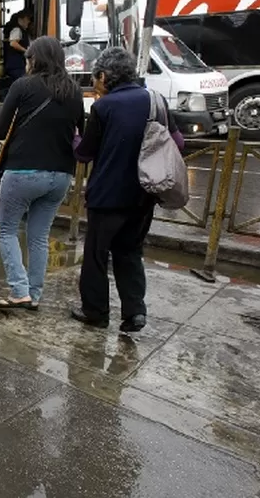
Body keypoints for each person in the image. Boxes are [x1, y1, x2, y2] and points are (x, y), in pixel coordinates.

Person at [71, 47, 184, 332]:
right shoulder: (155, 100)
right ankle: (134, 312)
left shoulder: (104, 107)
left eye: (97, 77)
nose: (96, 82)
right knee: (130, 251)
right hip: (144, 194)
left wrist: (74, 138)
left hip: (107, 196)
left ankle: (95, 311)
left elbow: (84, 153)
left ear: (105, 76)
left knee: (97, 254)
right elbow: (178, 142)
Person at [0, 37, 84, 311]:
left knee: (7, 230)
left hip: (23, 171)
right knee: (39, 236)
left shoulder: (23, 85)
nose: (26, 64)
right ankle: (34, 294)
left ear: (35, 60)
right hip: (61, 176)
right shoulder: (74, 91)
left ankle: (19, 290)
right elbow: (80, 132)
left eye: (28, 59)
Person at [3, 10, 32, 83]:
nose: (29, 21)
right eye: (27, 19)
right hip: (15, 65)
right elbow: (13, 43)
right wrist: (26, 51)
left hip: (16, 65)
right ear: (20, 19)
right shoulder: (17, 30)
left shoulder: (22, 30)